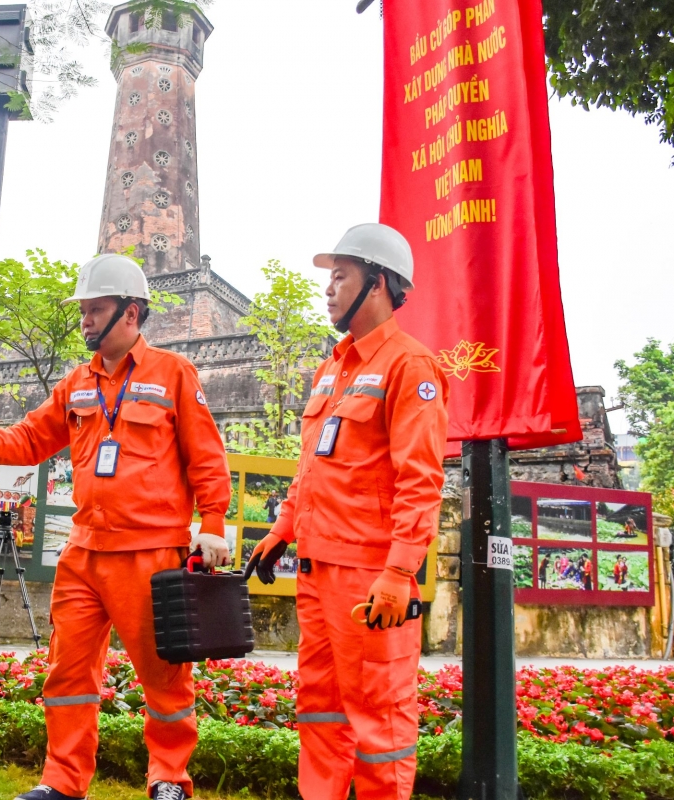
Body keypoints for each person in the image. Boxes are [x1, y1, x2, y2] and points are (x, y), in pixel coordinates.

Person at [0, 253, 232, 800]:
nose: (85, 320)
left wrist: (212, 522)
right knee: (67, 673)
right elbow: (33, 436)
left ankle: (169, 780)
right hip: (83, 553)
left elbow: (206, 456)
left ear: (131, 313)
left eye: (95, 309)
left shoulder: (173, 374)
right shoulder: (77, 383)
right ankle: (62, 784)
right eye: (83, 310)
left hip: (150, 554)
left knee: (164, 675)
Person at [243, 224, 448, 800]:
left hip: (370, 577)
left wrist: (400, 572)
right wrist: (284, 527)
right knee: (321, 708)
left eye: (341, 277)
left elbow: (420, 480)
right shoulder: (332, 369)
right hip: (317, 569)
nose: (328, 290)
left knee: (380, 716)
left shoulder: (412, 366)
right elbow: (312, 465)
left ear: (378, 283)